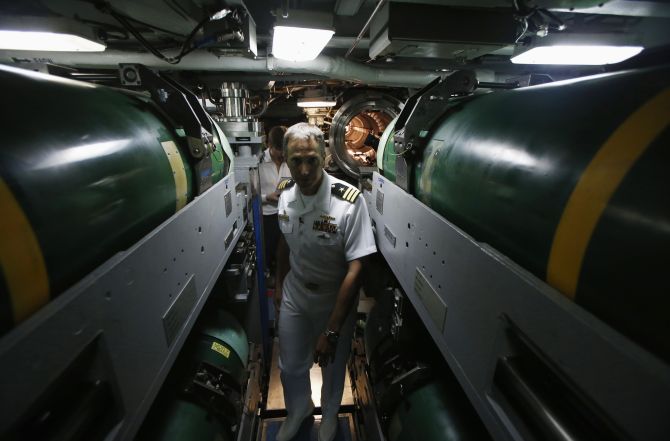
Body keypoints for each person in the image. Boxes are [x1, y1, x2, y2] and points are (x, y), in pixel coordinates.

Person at [274, 123, 377, 441]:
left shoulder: (348, 201)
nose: (303, 170)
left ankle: (329, 414)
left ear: (325, 156)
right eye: (296, 161)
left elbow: (357, 267)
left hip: (335, 297)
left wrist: (332, 330)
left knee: (332, 364)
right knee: (290, 363)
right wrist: (278, 283)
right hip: (295, 292)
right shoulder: (285, 195)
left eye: (311, 160)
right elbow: (283, 241)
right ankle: (299, 409)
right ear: (286, 159)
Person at [259, 126, 290, 273]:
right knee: (268, 250)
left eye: (285, 149)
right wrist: (266, 197)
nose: (283, 153)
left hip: (287, 213)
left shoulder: (290, 160)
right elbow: (249, 195)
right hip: (266, 215)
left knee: (285, 251)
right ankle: (267, 274)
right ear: (269, 145)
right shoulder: (258, 162)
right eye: (279, 149)